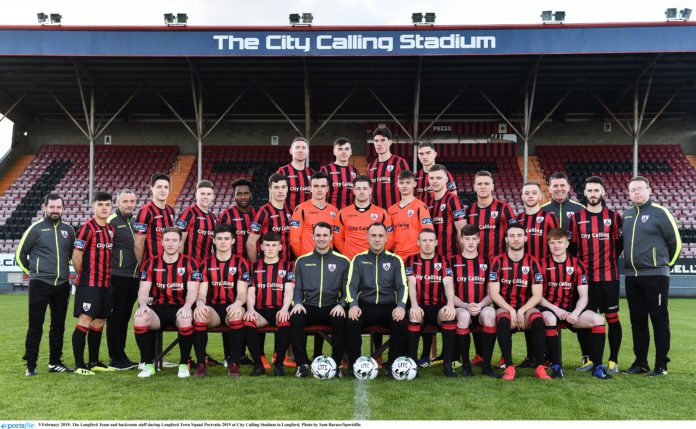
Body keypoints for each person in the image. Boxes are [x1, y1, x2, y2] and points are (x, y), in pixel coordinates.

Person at [621, 176, 681, 377]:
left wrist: (664, 267)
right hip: (631, 276)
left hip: (656, 276)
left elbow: (676, 243)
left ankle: (661, 365)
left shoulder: (660, 212)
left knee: (659, 321)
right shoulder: (627, 215)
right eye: (632, 190)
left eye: (639, 188)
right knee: (637, 321)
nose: (636, 192)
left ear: (649, 189)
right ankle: (641, 363)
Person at [539, 228, 612, 380]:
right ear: (548, 244)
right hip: (549, 308)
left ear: (567, 243)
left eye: (560, 242)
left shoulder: (577, 265)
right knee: (550, 319)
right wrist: (556, 310)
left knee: (598, 319)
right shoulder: (541, 264)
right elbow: (537, 296)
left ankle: (598, 366)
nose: (556, 246)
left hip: (572, 310)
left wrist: (576, 313)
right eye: (552, 243)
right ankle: (556, 366)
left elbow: (584, 296)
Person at [569, 176, 623, 373]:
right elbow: (573, 249)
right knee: (585, 320)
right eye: (589, 190)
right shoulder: (575, 219)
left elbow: (618, 246)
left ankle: (612, 361)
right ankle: (589, 359)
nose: (593, 194)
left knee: (612, 318)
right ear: (584, 193)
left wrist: (606, 262)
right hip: (585, 280)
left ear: (603, 192)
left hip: (608, 278)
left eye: (596, 190)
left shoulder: (614, 217)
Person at [16, 193, 75, 376]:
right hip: (39, 284)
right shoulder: (35, 229)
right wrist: (33, 274)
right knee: (36, 325)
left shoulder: (69, 230)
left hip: (62, 285)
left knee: (58, 326)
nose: (55, 210)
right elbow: (20, 256)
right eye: (52, 207)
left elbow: (73, 255)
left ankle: (54, 363)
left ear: (63, 209)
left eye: (58, 207)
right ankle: (31, 365)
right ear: (45, 208)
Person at [134, 227, 201, 378]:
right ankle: (148, 365)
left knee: (185, 318)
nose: (171, 244)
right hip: (158, 309)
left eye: (174, 240)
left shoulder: (190, 263)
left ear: (180, 243)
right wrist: (143, 305)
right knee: (140, 317)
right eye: (167, 240)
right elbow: (144, 290)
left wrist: (187, 306)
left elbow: (192, 290)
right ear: (162, 243)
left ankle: (183, 365)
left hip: (180, 307)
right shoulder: (151, 263)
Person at [345, 222, 408, 377]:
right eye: (373, 235)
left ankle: (392, 366)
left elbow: (402, 286)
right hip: (365, 305)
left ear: (386, 238)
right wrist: (353, 305)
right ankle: (354, 365)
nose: (377, 239)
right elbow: (350, 286)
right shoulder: (358, 259)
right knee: (351, 320)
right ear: (367, 238)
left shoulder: (395, 260)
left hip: (388, 306)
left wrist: (400, 306)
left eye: (380, 236)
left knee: (401, 321)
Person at [488, 223, 550, 380]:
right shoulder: (497, 261)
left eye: (519, 236)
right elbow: (494, 294)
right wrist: (511, 310)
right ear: (506, 239)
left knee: (537, 319)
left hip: (527, 306)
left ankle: (539, 366)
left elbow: (537, 295)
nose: (516, 239)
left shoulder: (533, 262)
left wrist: (521, 311)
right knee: (502, 320)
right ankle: (509, 366)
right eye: (512, 236)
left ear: (526, 238)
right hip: (505, 305)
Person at [290, 222, 351, 378]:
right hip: (308, 306)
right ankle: (302, 364)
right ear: (313, 236)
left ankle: (336, 365)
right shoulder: (302, 261)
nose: (321, 238)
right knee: (295, 317)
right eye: (318, 235)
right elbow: (297, 288)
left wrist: (341, 305)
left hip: (332, 306)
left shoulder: (343, 261)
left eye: (325, 235)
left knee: (340, 318)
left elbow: (348, 291)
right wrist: (297, 303)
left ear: (331, 237)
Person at [192, 224, 250, 378]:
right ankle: (201, 363)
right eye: (219, 239)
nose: (223, 242)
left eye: (226, 239)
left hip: (234, 305)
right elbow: (202, 293)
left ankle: (235, 363)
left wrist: (238, 304)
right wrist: (200, 304)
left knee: (236, 314)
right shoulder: (205, 263)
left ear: (232, 241)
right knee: (199, 314)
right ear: (214, 241)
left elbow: (242, 293)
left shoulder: (241, 263)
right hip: (214, 310)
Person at [515, 180, 559, 368]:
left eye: (534, 192)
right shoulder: (518, 220)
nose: (531, 195)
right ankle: (531, 356)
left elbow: (557, 244)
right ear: (522, 196)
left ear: (540, 196)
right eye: (527, 193)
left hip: (546, 274)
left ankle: (549, 358)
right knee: (529, 313)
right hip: (525, 275)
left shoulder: (548, 217)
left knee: (546, 315)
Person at [71, 191, 116, 375]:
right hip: (89, 284)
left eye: (107, 204)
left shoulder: (110, 230)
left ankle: (94, 361)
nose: (104, 208)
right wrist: (83, 274)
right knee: (85, 321)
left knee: (99, 322)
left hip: (106, 284)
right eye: (100, 204)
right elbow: (77, 255)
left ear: (111, 207)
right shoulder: (87, 228)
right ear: (93, 207)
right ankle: (79, 365)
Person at [448, 224, 499, 378]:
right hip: (461, 306)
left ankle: (487, 365)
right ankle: (466, 366)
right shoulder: (451, 261)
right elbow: (449, 293)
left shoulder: (488, 262)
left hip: (481, 306)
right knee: (463, 316)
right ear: (461, 240)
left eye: (474, 239)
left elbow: (492, 293)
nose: (470, 242)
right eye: (467, 239)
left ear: (478, 241)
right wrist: (465, 305)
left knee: (490, 313)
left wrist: (480, 305)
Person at [405, 229, 457, 377]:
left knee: (448, 315)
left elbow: (448, 284)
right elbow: (411, 283)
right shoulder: (410, 260)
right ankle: (413, 364)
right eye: (424, 240)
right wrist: (414, 304)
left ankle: (447, 365)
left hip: (437, 307)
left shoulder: (443, 261)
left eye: (430, 240)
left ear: (436, 243)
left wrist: (451, 304)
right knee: (414, 316)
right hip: (419, 305)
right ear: (418, 242)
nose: (427, 243)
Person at [243, 232, 295, 377]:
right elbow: (251, 292)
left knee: (285, 321)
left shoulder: (288, 266)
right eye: (267, 245)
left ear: (280, 247)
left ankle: (278, 364)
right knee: (248, 321)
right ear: (261, 247)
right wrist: (250, 309)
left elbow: (289, 290)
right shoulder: (254, 267)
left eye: (274, 245)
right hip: (261, 312)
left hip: (279, 310)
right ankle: (258, 364)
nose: (270, 248)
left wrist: (285, 309)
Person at [105, 189, 140, 370]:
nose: (128, 204)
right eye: (125, 201)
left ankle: (122, 355)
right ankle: (115, 357)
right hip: (117, 276)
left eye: (131, 201)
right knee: (115, 318)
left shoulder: (135, 221)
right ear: (117, 203)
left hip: (134, 277)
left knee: (125, 318)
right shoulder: (111, 222)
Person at [334, 175, 393, 261]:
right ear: (353, 191)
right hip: (351, 261)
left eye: (365, 188)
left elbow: (389, 239)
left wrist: (378, 255)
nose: (361, 192)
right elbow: (337, 239)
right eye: (358, 189)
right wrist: (347, 255)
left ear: (370, 191)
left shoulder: (382, 213)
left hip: (374, 261)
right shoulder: (342, 213)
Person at [466, 170, 516, 261]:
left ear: (492, 187)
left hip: (498, 262)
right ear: (474, 187)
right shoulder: (469, 211)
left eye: (486, 184)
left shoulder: (504, 208)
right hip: (476, 263)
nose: (483, 187)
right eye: (479, 184)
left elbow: (512, 237)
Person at [289, 171, 339, 258]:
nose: (319, 190)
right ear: (310, 188)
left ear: (327, 188)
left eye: (323, 186)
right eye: (316, 186)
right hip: (308, 262)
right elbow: (294, 241)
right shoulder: (301, 209)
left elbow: (337, 239)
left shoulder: (334, 211)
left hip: (328, 261)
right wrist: (303, 260)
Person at [247, 174, 293, 263]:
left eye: (283, 187)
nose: (280, 191)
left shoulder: (290, 211)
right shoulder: (264, 212)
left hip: (286, 265)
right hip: (267, 267)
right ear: (270, 189)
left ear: (287, 189)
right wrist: (255, 267)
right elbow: (250, 243)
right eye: (276, 187)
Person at [388, 170, 433, 261]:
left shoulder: (420, 206)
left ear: (414, 184)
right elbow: (389, 234)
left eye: (408, 182)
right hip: (396, 256)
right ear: (397, 184)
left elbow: (428, 233)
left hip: (415, 256)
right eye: (401, 183)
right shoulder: (391, 210)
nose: (404, 186)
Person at [134, 172, 176, 264]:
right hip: (151, 266)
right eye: (159, 187)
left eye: (166, 187)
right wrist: (144, 266)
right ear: (152, 188)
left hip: (168, 265)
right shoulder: (145, 211)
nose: (163, 190)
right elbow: (138, 244)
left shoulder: (170, 211)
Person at [428, 164, 466, 261]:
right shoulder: (430, 203)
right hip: (435, 259)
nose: (435, 181)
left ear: (446, 180)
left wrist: (463, 259)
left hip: (452, 258)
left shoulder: (453, 200)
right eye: (432, 178)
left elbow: (462, 232)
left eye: (439, 178)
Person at [367, 127, 410, 209]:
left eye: (383, 140)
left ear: (390, 142)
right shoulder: (370, 166)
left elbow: (409, 188)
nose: (379, 144)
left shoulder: (400, 162)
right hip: (377, 213)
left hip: (397, 211)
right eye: (376, 141)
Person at [177, 180, 217, 267]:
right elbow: (179, 243)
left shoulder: (213, 217)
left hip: (206, 267)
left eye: (209, 194)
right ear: (196, 195)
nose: (205, 197)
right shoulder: (188, 213)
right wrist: (179, 266)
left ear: (213, 197)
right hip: (189, 266)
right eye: (202, 193)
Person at [219, 178, 257, 261]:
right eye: (239, 194)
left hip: (254, 263)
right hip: (233, 265)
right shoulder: (227, 215)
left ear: (251, 194)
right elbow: (218, 242)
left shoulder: (257, 213)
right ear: (234, 195)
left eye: (246, 193)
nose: (243, 197)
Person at [276, 137, 315, 213]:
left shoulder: (312, 173)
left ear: (307, 152)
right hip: (287, 217)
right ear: (291, 151)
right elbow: (274, 196)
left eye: (303, 148)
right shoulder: (283, 171)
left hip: (307, 217)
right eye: (297, 147)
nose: (300, 150)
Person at [320, 137, 359, 210]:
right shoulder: (325, 170)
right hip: (330, 212)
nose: (343, 152)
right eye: (340, 149)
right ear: (334, 152)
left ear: (350, 152)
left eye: (346, 149)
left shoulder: (355, 171)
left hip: (349, 213)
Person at [415, 142, 457, 208]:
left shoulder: (445, 174)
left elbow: (454, 196)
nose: (424, 156)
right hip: (422, 215)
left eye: (428, 153)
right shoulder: (415, 177)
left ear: (435, 154)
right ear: (418, 156)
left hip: (441, 215)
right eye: (421, 154)